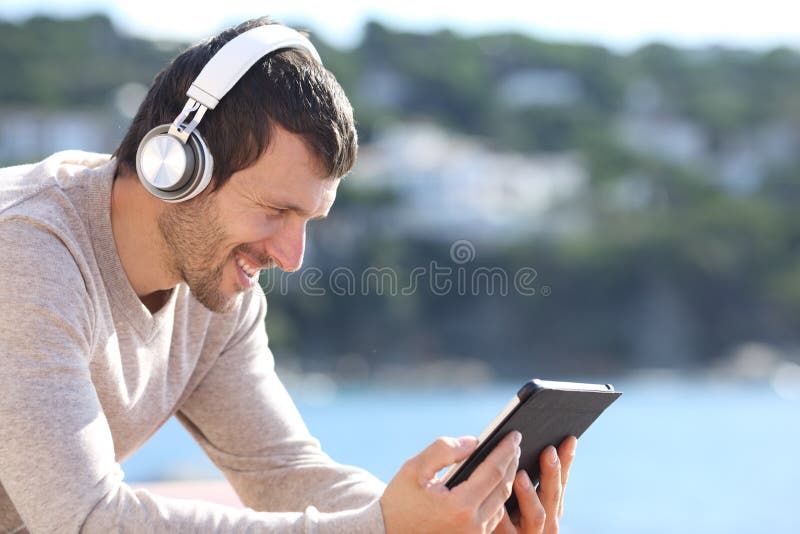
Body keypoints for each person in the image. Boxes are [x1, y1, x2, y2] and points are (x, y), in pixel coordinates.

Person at [0, 16, 576, 533]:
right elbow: (86, 521)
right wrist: (383, 529)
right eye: (275, 211)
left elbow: (284, 473)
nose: (291, 255)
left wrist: (446, 519)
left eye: (308, 219)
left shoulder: (218, 284)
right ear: (174, 167)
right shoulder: (26, 253)